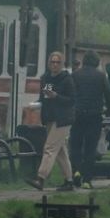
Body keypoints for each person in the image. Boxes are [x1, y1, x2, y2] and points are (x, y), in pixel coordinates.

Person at [26, 51, 77, 191]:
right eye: (52, 62)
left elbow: (71, 100)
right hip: (49, 117)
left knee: (49, 148)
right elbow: (45, 97)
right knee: (60, 151)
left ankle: (40, 178)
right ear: (49, 63)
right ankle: (69, 181)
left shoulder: (67, 80)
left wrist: (57, 96)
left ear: (62, 64)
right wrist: (35, 105)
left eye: (57, 62)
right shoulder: (46, 79)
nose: (54, 64)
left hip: (63, 119)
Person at [70, 50, 110, 188]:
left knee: (75, 145)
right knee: (90, 148)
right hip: (94, 115)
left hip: (77, 115)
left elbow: (70, 93)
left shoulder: (75, 75)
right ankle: (87, 180)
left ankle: (76, 171)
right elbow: (109, 94)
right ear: (96, 62)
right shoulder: (101, 76)